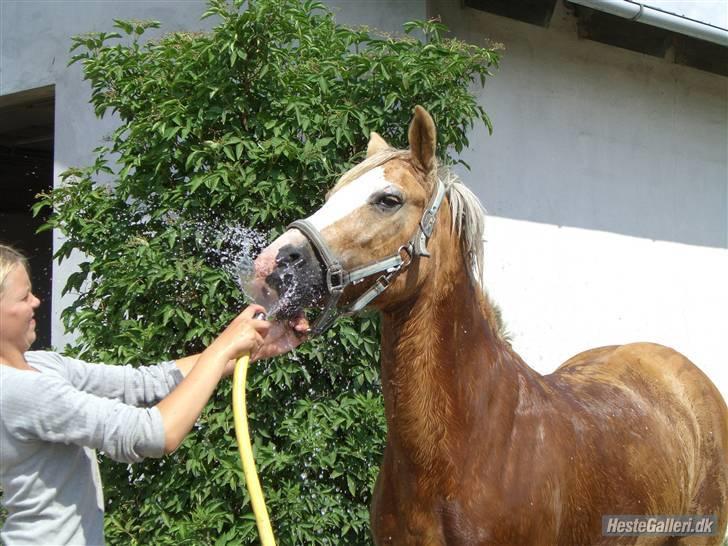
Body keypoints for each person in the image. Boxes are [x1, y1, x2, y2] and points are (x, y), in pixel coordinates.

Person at [0, 244, 307, 545]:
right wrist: (222, 347)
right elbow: (153, 434)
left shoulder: (42, 366)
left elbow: (145, 383)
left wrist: (259, 347)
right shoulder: (21, 391)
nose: (37, 301)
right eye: (24, 296)